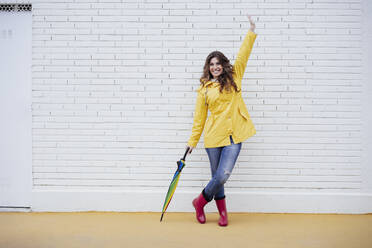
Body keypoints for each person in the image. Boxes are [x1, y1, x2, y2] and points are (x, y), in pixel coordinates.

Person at [186, 15, 257, 226]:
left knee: (223, 175)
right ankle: (223, 214)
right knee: (217, 177)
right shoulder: (204, 90)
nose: (215, 67)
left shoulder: (235, 76)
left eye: (218, 63)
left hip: (234, 136)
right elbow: (199, 119)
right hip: (213, 138)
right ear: (208, 67)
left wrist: (251, 31)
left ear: (223, 65)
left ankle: (200, 202)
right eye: (211, 64)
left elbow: (244, 55)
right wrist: (192, 141)